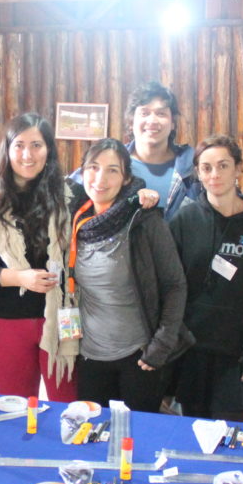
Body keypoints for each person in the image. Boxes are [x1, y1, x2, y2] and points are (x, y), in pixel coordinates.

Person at [0, 113, 78, 401]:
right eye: (19, 145)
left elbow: (115, 195)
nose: (27, 154)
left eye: (36, 145)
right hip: (6, 322)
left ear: (48, 150)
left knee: (68, 407)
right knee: (16, 408)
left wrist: (141, 194)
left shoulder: (72, 196)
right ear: (7, 150)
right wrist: (19, 278)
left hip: (64, 320)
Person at [70, 137, 191, 411]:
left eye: (112, 170)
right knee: (93, 432)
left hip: (139, 357)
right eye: (93, 167)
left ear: (126, 178)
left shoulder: (143, 220)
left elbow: (175, 285)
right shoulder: (73, 218)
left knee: (136, 434)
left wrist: (161, 346)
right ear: (82, 171)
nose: (100, 178)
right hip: (88, 357)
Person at [169, 136, 243, 422]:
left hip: (238, 355)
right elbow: (171, 288)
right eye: (206, 168)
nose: (215, 174)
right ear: (198, 173)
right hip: (192, 352)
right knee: (194, 434)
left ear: (238, 169)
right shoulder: (184, 220)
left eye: (223, 165)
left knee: (233, 437)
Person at [70, 82, 197, 222]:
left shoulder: (193, 165)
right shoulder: (111, 158)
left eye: (161, 113)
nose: (152, 120)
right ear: (131, 122)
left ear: (172, 123)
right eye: (144, 113)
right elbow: (68, 192)